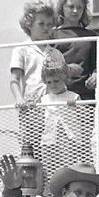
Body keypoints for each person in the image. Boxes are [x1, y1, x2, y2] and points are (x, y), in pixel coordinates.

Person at [10, 0, 56, 154]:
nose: (46, 28)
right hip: (31, 104)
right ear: (29, 24)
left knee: (50, 149)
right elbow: (14, 80)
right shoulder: (22, 49)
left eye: (49, 24)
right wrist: (18, 98)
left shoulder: (54, 51)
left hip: (51, 103)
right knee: (29, 149)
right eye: (41, 24)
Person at [39, 49, 84, 180]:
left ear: (64, 78)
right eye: (49, 82)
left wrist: (76, 107)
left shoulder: (73, 97)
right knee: (51, 172)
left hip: (69, 140)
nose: (53, 85)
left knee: (68, 170)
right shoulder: (44, 99)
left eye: (56, 81)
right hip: (49, 141)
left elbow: (84, 118)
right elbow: (39, 120)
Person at [52, 0, 99, 100]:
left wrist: (96, 75)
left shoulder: (91, 36)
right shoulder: (53, 35)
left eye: (79, 7)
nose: (75, 11)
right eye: (71, 6)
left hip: (85, 96)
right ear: (62, 7)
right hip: (59, 94)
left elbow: (97, 65)